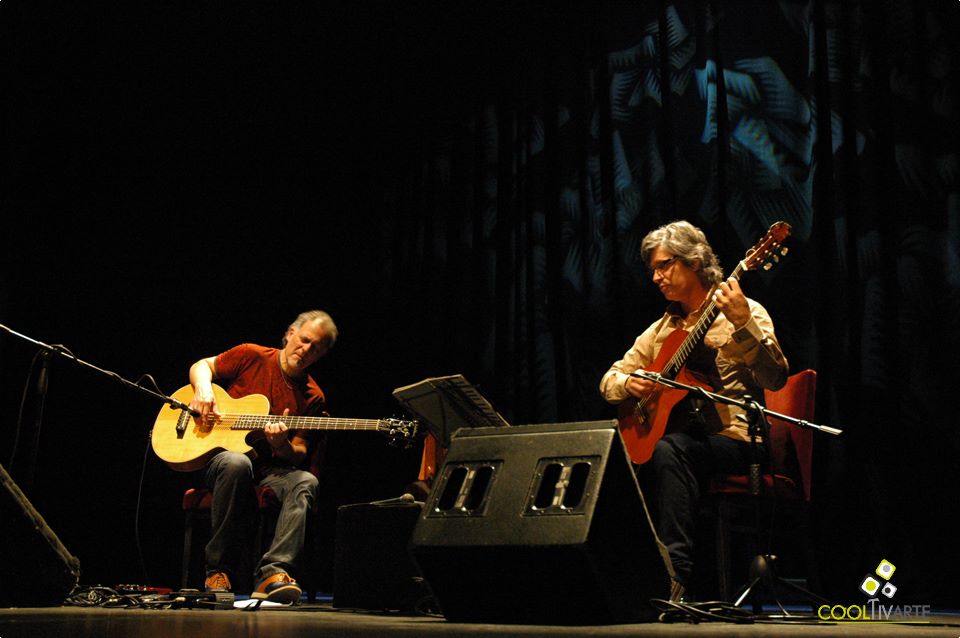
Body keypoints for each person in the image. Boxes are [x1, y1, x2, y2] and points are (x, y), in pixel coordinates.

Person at [599, 221, 788, 602]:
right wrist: (629, 384)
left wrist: (742, 322)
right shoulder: (661, 329)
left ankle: (675, 577)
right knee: (614, 454)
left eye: (665, 265)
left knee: (670, 450)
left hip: (738, 441)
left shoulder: (744, 310)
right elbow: (609, 378)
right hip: (688, 443)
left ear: (695, 262)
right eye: (653, 269)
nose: (656, 277)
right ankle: (614, 576)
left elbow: (776, 378)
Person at [188, 309, 338, 603]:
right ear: (290, 334)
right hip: (219, 455)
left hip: (269, 467)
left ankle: (274, 572)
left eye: (315, 348)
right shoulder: (252, 355)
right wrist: (203, 390)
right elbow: (202, 366)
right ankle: (217, 570)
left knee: (305, 481)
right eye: (304, 340)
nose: (306, 350)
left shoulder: (313, 397)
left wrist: (281, 444)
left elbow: (298, 455)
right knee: (236, 463)